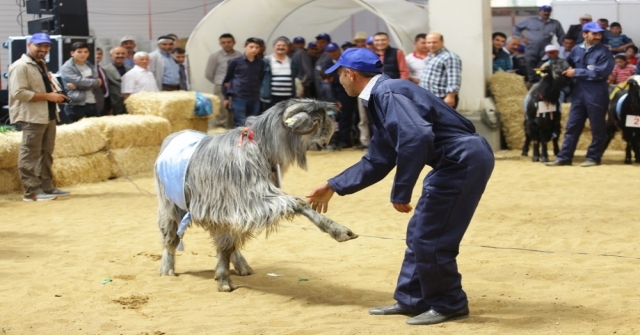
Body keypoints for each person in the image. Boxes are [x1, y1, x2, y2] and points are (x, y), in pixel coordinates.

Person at [306, 47, 494, 326]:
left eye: (340, 76)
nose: (339, 81)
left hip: (460, 162)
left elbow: (415, 138)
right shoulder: (382, 96)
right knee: (420, 232)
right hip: (456, 161)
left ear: (350, 73)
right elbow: (379, 158)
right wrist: (334, 185)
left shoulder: (388, 93)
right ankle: (411, 300)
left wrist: (401, 191)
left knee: (431, 237)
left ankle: (450, 304)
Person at [8, 32, 70, 201]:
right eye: (39, 45)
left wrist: (57, 95)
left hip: (48, 114)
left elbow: (47, 86)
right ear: (29, 44)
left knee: (46, 153)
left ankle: (46, 187)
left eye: (46, 46)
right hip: (32, 116)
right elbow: (18, 93)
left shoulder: (41, 64)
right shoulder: (20, 66)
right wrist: (48, 96)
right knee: (30, 153)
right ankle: (31, 192)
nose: (43, 49)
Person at [546, 22, 615, 167]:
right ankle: (564, 157)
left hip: (597, 93)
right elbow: (568, 65)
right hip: (579, 93)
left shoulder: (605, 53)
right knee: (572, 126)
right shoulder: (577, 50)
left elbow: (601, 73)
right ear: (585, 34)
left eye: (600, 34)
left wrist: (577, 72)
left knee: (597, 127)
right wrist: (555, 68)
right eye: (594, 33)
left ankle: (593, 157)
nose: (598, 36)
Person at [513, 5, 565, 85]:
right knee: (530, 68)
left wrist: (563, 50)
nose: (546, 13)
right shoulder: (530, 21)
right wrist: (522, 38)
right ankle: (532, 84)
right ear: (540, 12)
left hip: (546, 51)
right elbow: (516, 27)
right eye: (544, 11)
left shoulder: (555, 23)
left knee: (544, 67)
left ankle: (543, 84)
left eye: (548, 11)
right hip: (531, 49)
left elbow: (561, 36)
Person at [222, 37, 265, 127]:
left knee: (253, 123)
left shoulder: (261, 63)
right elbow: (227, 80)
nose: (254, 49)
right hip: (239, 96)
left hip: (255, 97)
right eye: (251, 47)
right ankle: (239, 141)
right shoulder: (235, 61)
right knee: (240, 122)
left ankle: (250, 141)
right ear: (245, 47)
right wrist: (226, 97)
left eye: (257, 47)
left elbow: (260, 78)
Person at [205, 33, 242, 129]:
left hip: (236, 87)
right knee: (222, 112)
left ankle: (232, 132)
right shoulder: (215, 56)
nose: (226, 44)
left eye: (229, 42)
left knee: (234, 111)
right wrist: (220, 83)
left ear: (234, 42)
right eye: (223, 42)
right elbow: (209, 74)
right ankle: (220, 131)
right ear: (220, 44)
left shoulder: (239, 55)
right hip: (221, 87)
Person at [59, 41, 103, 123]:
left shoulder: (89, 64)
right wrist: (96, 82)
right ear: (72, 53)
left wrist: (78, 86)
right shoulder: (67, 67)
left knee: (95, 130)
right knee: (78, 133)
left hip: (92, 102)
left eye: (85, 52)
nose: (83, 54)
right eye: (79, 52)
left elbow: (86, 83)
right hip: (76, 105)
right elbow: (82, 82)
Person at [419, 32, 462, 108]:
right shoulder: (430, 56)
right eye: (428, 42)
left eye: (434, 42)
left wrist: (450, 96)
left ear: (442, 42)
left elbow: (454, 78)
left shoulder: (450, 57)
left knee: (444, 120)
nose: (431, 45)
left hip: (442, 98)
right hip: (429, 97)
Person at [261, 37, 299, 110]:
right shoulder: (266, 61)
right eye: (278, 45)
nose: (281, 47)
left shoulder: (293, 62)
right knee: (271, 118)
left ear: (288, 48)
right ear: (273, 47)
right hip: (271, 97)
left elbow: (295, 75)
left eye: (284, 45)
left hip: (288, 97)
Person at [102, 46, 131, 115]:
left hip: (128, 104)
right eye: (117, 53)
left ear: (126, 56)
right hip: (113, 105)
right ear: (111, 56)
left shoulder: (130, 70)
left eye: (123, 53)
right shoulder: (104, 70)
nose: (120, 55)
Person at [94, 47, 110, 115]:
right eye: (96, 54)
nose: (98, 56)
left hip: (104, 102)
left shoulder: (102, 69)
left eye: (100, 54)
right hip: (94, 103)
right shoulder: (88, 69)